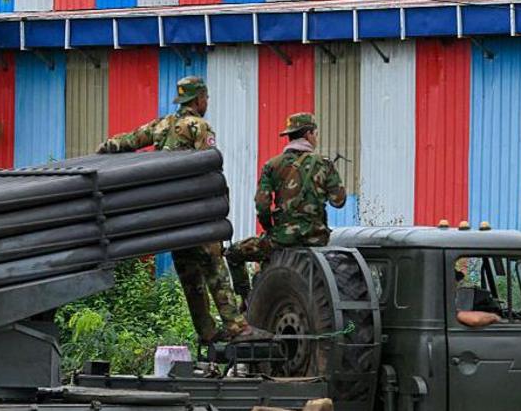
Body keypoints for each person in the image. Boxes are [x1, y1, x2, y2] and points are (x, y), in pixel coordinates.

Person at [96, 76, 271, 344]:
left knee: (190, 276)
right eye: (206, 98)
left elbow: (128, 141)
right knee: (215, 269)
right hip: (197, 213)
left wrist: (104, 148)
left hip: (172, 217)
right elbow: (210, 167)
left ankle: (206, 331)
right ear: (199, 99)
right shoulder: (199, 127)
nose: (206, 102)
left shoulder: (161, 125)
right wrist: (218, 209)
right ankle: (237, 328)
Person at [225, 112, 347, 301]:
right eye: (315, 134)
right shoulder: (324, 164)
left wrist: (270, 229)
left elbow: (262, 205)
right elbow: (338, 202)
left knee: (233, 253)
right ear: (308, 134)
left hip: (282, 240)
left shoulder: (272, 165)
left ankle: (247, 300)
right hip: (317, 239)